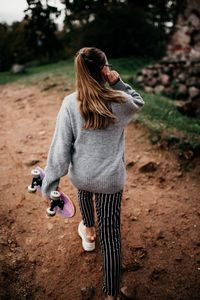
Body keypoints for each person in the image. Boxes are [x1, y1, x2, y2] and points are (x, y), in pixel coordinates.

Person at [41, 47, 145, 300]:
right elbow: (138, 102)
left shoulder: (70, 103)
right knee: (111, 237)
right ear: (103, 70)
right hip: (110, 181)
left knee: (85, 194)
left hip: (83, 175)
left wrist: (49, 186)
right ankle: (110, 293)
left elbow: (60, 148)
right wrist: (118, 82)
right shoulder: (120, 101)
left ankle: (88, 232)